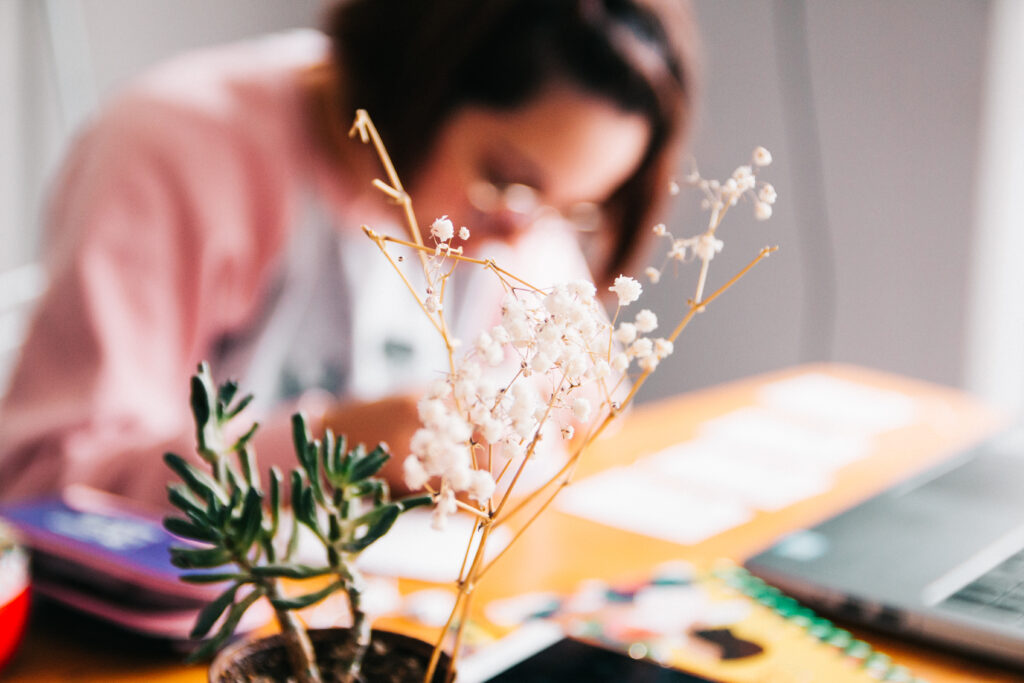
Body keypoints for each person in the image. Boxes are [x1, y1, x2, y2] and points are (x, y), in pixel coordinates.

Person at [0, 0, 698, 508]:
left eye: (574, 210)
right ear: (417, 79)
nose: (526, 237)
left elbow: (576, 411)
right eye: (505, 180)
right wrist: (335, 447)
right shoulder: (178, 149)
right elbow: (46, 480)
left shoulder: (519, 213)